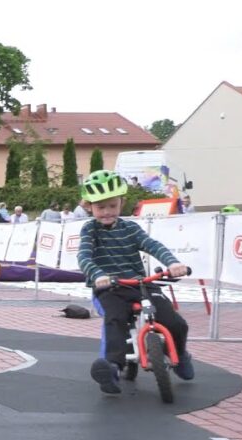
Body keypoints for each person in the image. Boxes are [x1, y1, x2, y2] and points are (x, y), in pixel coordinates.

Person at [76, 169, 193, 395]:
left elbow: (153, 245)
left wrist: (173, 263)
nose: (107, 212)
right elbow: (84, 256)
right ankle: (111, 367)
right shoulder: (90, 229)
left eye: (112, 206)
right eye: (101, 207)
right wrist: (98, 274)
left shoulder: (130, 228)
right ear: (90, 207)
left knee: (175, 322)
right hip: (110, 287)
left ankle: (180, 355)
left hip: (140, 284)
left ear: (122, 203)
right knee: (115, 319)